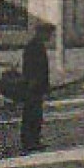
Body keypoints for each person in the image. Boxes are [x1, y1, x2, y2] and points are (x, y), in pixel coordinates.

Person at [20, 24, 55, 152]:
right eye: (48, 34)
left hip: (37, 86)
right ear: (41, 33)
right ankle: (29, 142)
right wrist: (31, 82)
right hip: (32, 86)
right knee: (31, 114)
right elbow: (29, 67)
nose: (50, 37)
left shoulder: (39, 46)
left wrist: (46, 86)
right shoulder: (33, 46)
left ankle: (34, 140)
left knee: (37, 115)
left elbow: (44, 69)